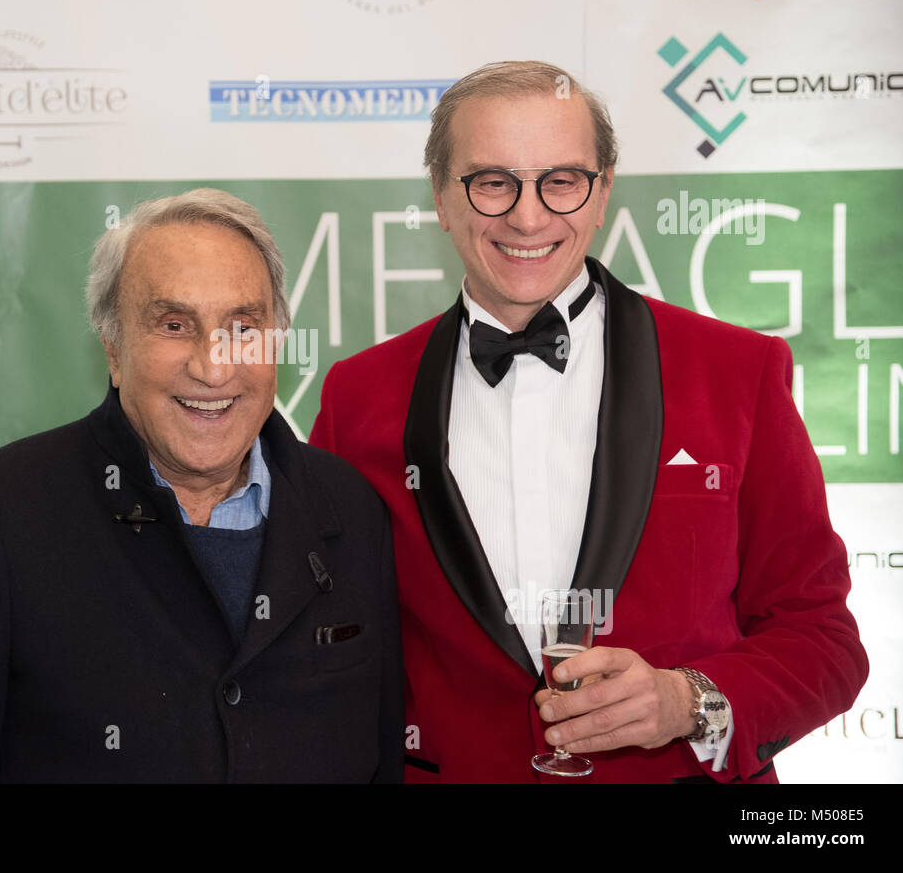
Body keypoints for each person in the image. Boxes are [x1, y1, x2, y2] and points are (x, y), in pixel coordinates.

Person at [309, 61, 867, 782]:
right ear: (442, 199)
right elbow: (321, 643)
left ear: (603, 192)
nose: (528, 216)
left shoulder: (738, 372)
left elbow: (823, 639)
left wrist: (686, 699)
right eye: (491, 181)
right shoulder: (358, 397)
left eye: (562, 180)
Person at [0, 189, 403, 782]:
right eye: (174, 325)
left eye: (242, 326)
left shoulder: (350, 509)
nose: (213, 366)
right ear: (114, 349)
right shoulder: (0, 514)